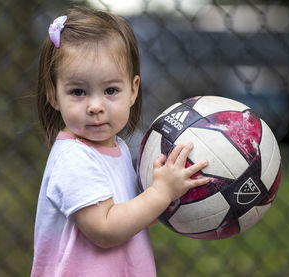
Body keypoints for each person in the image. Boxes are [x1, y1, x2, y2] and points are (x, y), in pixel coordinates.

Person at [31, 6, 209, 277]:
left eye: (111, 90)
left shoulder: (118, 150)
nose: (95, 106)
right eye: (78, 91)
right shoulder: (74, 158)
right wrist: (160, 193)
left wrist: (168, 194)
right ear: (53, 95)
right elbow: (105, 229)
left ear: (133, 89)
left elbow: (131, 216)